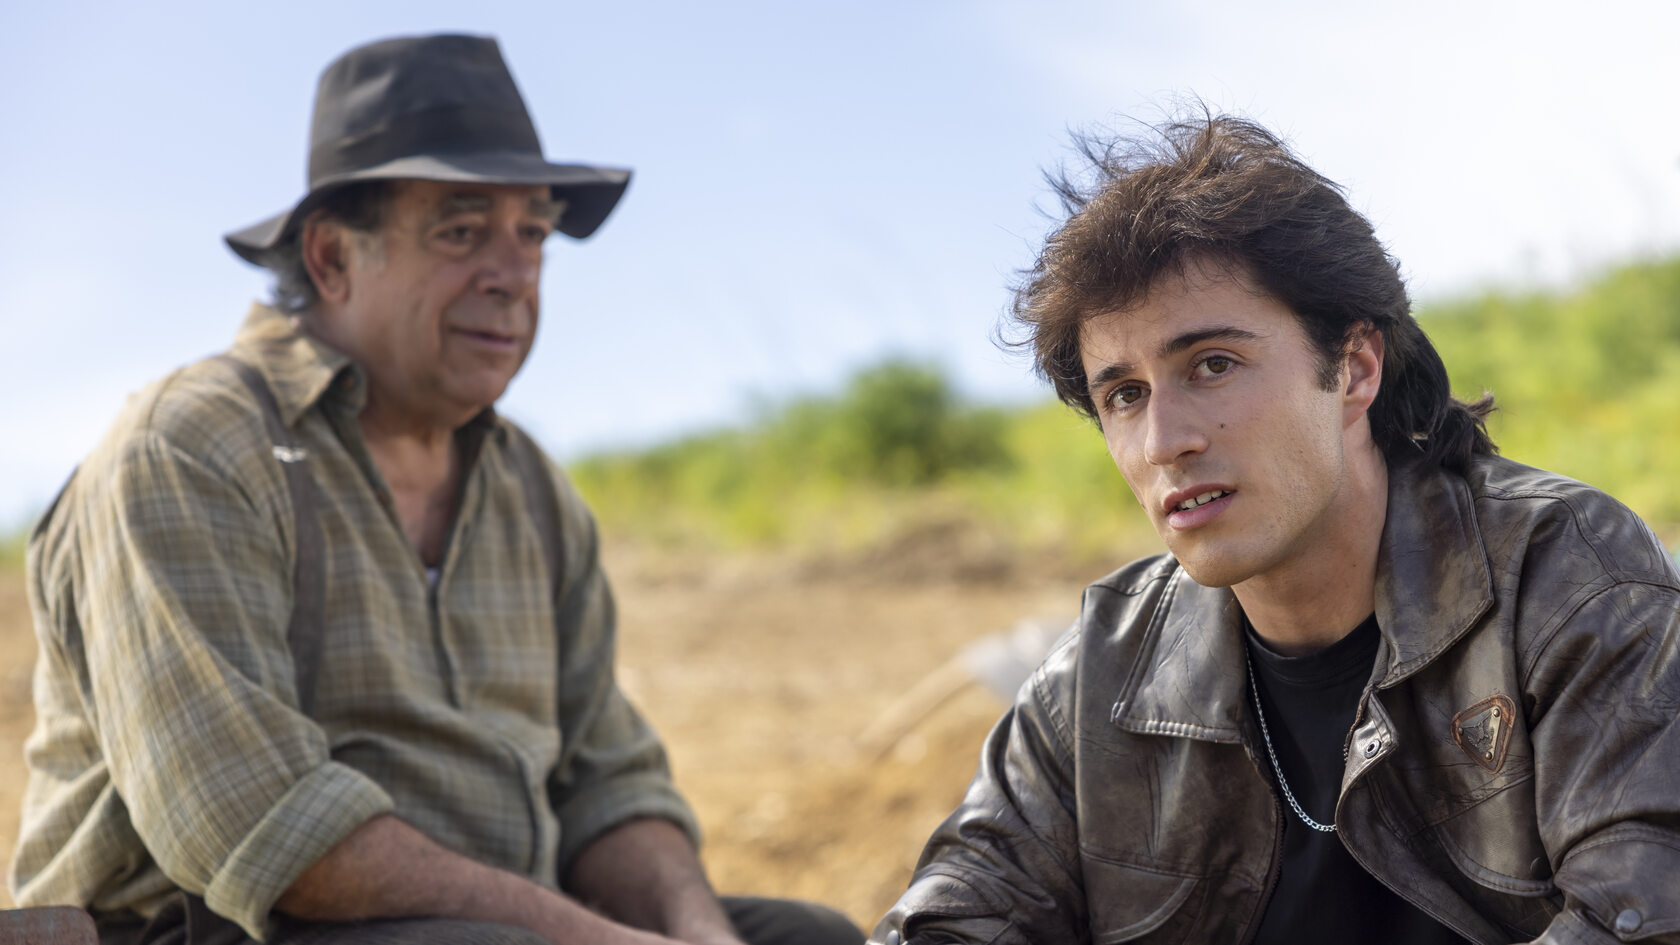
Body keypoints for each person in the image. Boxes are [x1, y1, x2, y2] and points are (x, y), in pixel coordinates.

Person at [11, 33, 861, 945]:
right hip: (216, 927)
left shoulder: (529, 487)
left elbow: (607, 780)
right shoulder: (192, 448)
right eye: (461, 231)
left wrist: (701, 938)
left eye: (533, 233)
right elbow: (269, 832)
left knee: (809, 938)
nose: (514, 275)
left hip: (495, 925)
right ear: (332, 258)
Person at [871, 115, 1680, 944]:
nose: (1163, 442)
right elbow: (961, 910)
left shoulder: (1574, 585)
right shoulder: (1099, 676)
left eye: (1213, 365)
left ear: (1355, 369)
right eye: (1126, 395)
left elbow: (1643, 921)